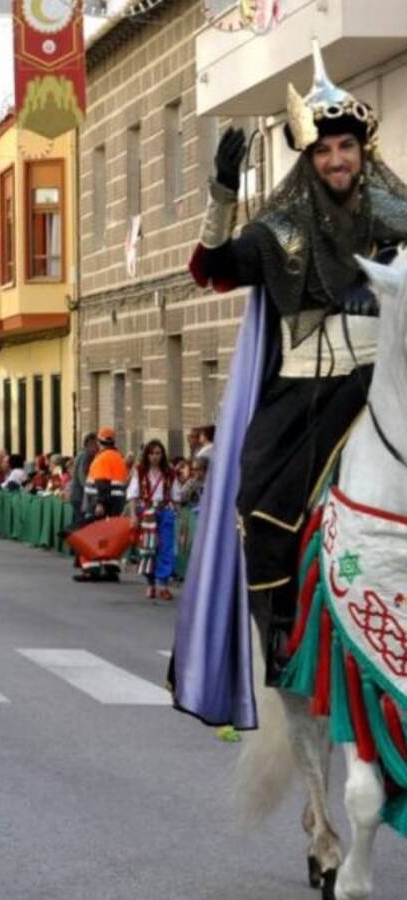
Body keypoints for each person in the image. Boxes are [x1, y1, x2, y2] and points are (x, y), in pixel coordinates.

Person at [177, 43, 407, 727]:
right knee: (262, 503)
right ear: (308, 159)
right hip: (305, 394)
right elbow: (212, 270)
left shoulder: (399, 218)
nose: (337, 159)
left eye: (346, 147)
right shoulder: (280, 230)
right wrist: (222, 195)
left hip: (381, 383)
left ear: (363, 151)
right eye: (324, 149)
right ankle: (281, 631)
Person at [74, 426, 129, 583]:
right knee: (110, 537)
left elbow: (102, 483)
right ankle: (111, 569)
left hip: (99, 503)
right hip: (117, 503)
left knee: (89, 535)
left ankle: (91, 570)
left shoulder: (102, 459)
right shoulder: (118, 458)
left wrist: (100, 503)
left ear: (99, 442)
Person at [128, 440, 177, 601]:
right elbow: (133, 494)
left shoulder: (170, 472)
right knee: (149, 548)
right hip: (147, 513)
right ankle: (150, 584)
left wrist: (178, 515)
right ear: (146, 455)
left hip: (165, 511)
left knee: (166, 547)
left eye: (158, 453)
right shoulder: (140, 471)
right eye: (151, 453)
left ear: (162, 454)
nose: (155, 456)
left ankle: (163, 585)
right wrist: (133, 515)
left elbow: (175, 495)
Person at [70, 432, 99, 524]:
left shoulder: (80, 454)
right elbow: (82, 476)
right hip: (81, 495)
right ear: (91, 443)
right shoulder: (87, 455)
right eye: (96, 443)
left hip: (76, 494)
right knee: (81, 523)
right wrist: (90, 490)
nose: (98, 447)